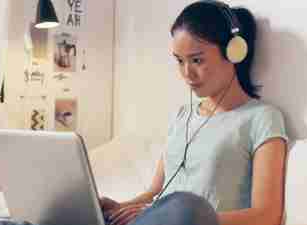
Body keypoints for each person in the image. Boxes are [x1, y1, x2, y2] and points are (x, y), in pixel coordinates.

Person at [100, 1, 288, 225]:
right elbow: (154, 193)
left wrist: (192, 219)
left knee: (186, 207)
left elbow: (267, 215)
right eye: (180, 61)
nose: (187, 73)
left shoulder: (263, 118)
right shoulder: (182, 115)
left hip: (195, 220)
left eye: (197, 60)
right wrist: (120, 208)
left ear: (234, 53)